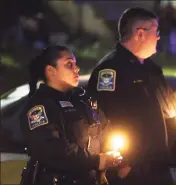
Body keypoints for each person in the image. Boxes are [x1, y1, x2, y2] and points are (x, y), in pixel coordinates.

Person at [87, 7, 176, 185]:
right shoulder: (111, 71)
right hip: (132, 171)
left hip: (159, 168)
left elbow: (165, 114)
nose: (158, 37)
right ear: (140, 33)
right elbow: (104, 121)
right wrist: (124, 165)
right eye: (156, 30)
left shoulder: (152, 70)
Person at [19, 45, 121, 185]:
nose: (76, 68)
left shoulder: (83, 101)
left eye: (75, 63)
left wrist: (110, 156)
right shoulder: (41, 107)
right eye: (69, 64)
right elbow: (52, 151)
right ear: (51, 71)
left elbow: (104, 131)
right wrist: (97, 161)